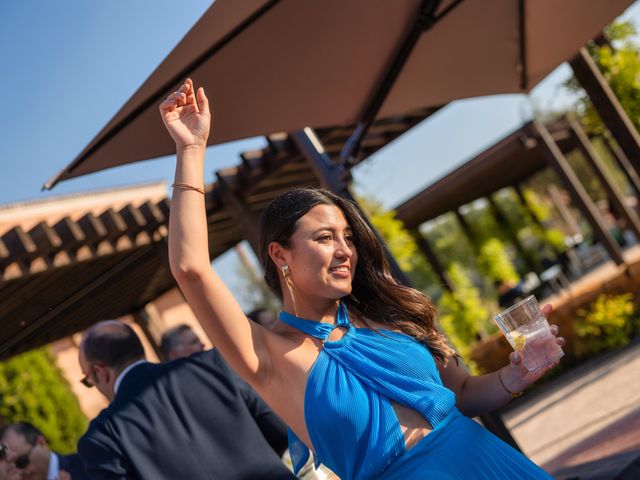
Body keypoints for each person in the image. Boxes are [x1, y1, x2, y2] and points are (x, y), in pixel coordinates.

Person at [161, 79, 564, 479]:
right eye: (324, 238)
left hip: (496, 465)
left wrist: (516, 375)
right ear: (280, 254)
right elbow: (191, 268)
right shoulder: (269, 356)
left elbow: (462, 395)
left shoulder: (387, 316)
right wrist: (192, 149)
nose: (345, 250)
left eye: (348, 238)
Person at [76, 320, 294, 480]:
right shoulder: (215, 365)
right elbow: (281, 429)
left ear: (99, 373)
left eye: (88, 381)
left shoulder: (102, 438)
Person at [1, 423, 84, 480]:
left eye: (22, 462)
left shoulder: (87, 464)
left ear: (41, 443)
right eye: (12, 465)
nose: (18, 472)